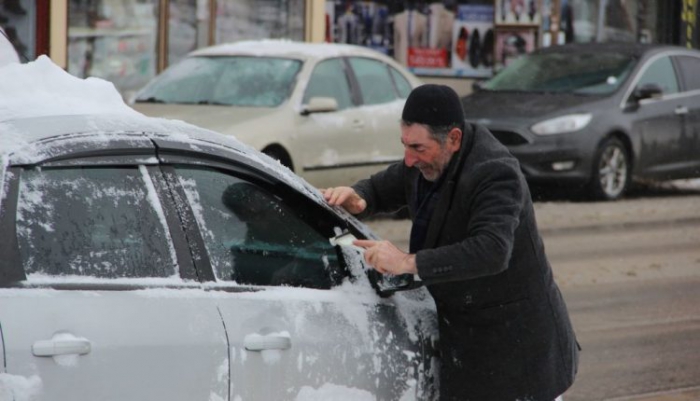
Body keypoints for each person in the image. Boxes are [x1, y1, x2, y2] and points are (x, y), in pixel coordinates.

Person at [322, 84, 579, 401]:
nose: (409, 158)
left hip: (517, 351)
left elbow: (492, 250)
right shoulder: (426, 160)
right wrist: (360, 196)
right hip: (469, 339)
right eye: (404, 145)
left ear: (454, 139)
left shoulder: (495, 173)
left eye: (417, 148)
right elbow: (385, 185)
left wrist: (406, 262)